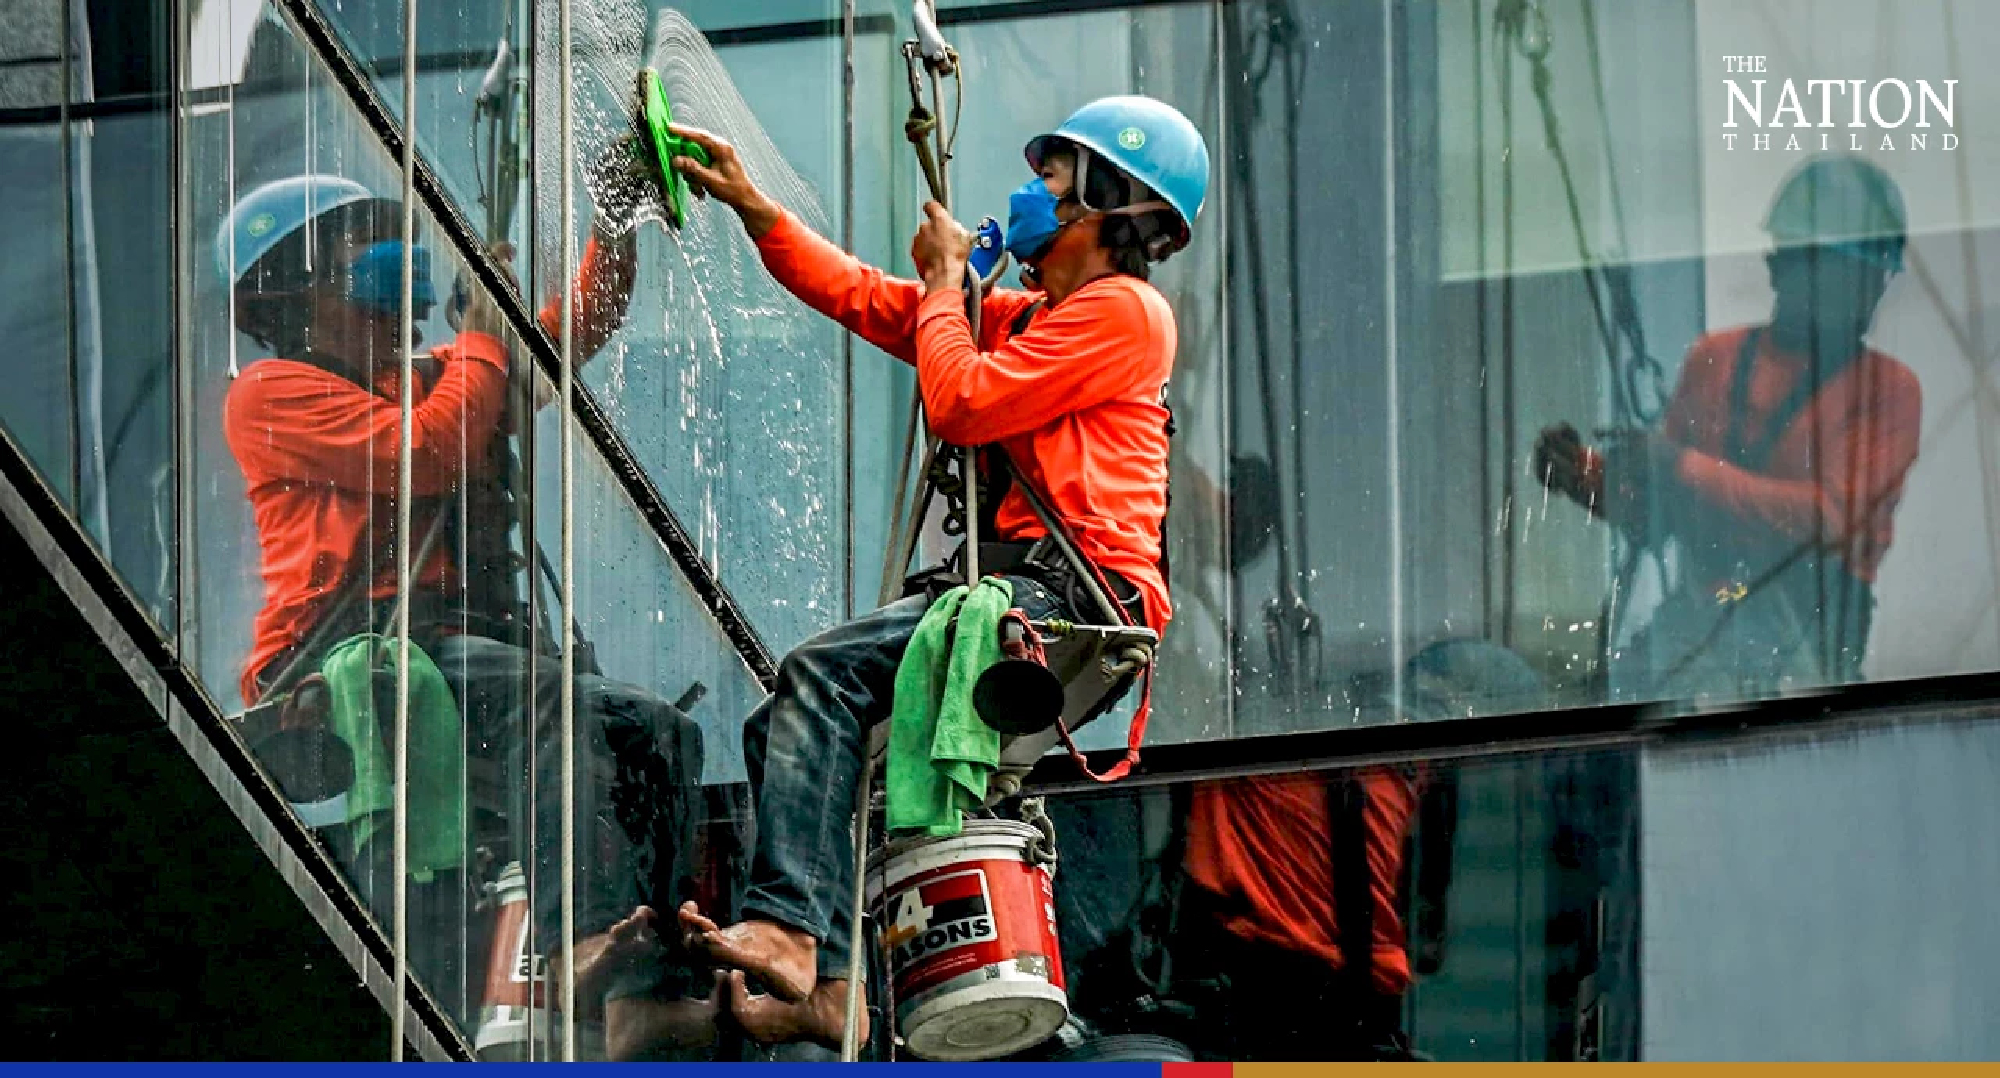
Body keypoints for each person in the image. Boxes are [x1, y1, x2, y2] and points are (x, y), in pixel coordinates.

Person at [564, 96, 1210, 1051]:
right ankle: (830, 987)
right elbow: (870, 299)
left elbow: (960, 401)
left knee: (821, 676)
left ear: (1109, 201)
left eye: (1052, 179)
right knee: (782, 721)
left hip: (1067, 596)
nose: (1030, 193)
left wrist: (948, 284)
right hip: (1035, 593)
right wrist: (754, 207)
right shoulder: (1036, 319)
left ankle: (792, 930)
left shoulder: (1124, 311)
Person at [216, 170, 709, 1054]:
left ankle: (651, 988)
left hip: (454, 647)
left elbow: (573, 329)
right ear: (294, 296)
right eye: (355, 258)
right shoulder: (267, 394)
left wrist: (614, 222)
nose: (387, 286)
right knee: (548, 701)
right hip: (364, 650)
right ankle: (574, 941)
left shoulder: (433, 379)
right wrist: (483, 334)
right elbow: (428, 454)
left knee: (658, 731)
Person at [1535, 155, 1922, 699]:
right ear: (1784, 267)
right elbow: (1658, 514)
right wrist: (1582, 475)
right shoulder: (1715, 360)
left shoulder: (1886, 391)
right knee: (1593, 710)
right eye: (1848, 275)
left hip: (1808, 642)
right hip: (1703, 622)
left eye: (1870, 279)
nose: (1866, 293)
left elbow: (1832, 518)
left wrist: (1679, 466)